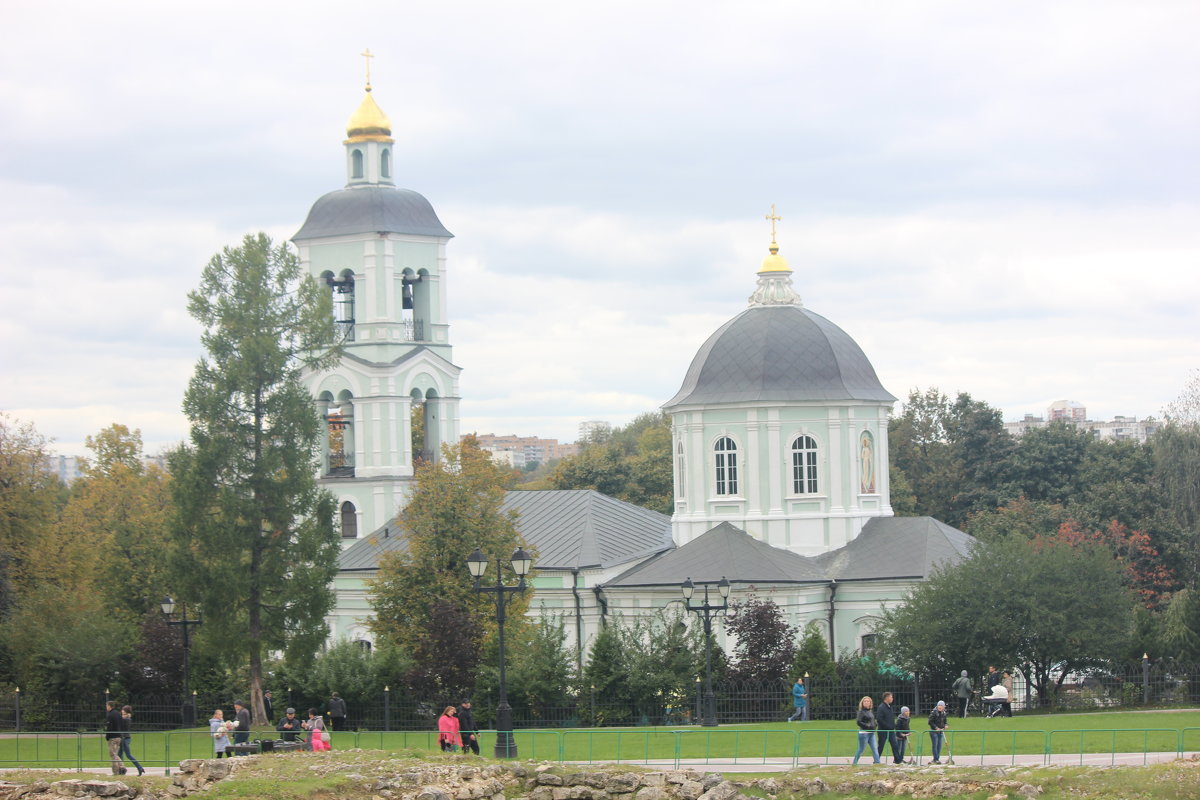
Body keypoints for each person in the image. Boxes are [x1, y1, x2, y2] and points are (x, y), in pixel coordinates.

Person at [852, 696, 880, 765]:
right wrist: (867, 726)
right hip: (864, 733)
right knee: (861, 749)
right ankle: (854, 763)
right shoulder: (861, 712)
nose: (866, 702)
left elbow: (872, 720)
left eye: (868, 701)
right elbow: (858, 722)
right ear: (862, 703)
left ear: (870, 703)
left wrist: (875, 724)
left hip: (872, 733)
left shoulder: (870, 712)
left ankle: (877, 763)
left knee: (875, 749)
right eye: (865, 701)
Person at [118, 705, 145, 776]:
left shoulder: (127, 719)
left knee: (128, 755)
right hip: (123, 738)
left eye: (123, 712)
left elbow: (123, 725)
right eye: (122, 712)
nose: (122, 713)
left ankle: (139, 768)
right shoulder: (124, 719)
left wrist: (122, 718)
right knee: (119, 755)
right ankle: (121, 770)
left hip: (125, 738)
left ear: (127, 712)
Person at [105, 700, 126, 775]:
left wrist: (107, 736)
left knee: (112, 754)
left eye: (107, 706)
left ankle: (117, 770)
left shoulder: (110, 715)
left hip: (113, 737)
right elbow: (122, 724)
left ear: (110, 706)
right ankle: (121, 768)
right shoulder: (118, 714)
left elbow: (109, 727)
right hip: (119, 736)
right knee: (115, 753)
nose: (106, 707)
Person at [875, 691, 897, 763]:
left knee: (895, 745)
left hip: (891, 731)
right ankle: (876, 760)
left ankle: (897, 760)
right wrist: (888, 726)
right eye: (891, 697)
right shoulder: (881, 707)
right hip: (883, 731)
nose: (892, 698)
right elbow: (879, 719)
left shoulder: (889, 707)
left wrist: (893, 726)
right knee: (881, 746)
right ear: (886, 698)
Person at [927, 700, 949, 764]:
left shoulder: (944, 713)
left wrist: (946, 725)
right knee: (935, 745)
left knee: (939, 745)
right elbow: (930, 722)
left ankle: (937, 759)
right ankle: (935, 759)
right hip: (934, 731)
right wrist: (936, 728)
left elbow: (945, 721)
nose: (940, 707)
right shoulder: (933, 712)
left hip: (941, 731)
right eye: (939, 705)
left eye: (941, 706)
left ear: (944, 707)